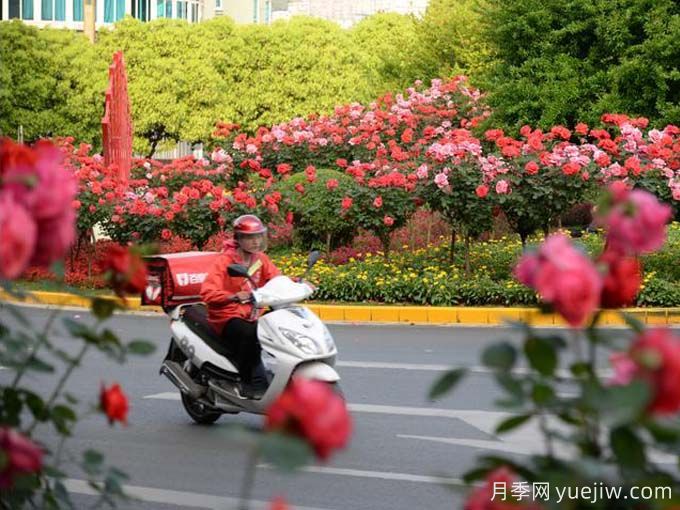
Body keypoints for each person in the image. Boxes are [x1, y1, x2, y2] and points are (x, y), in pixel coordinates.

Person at [200, 214, 280, 399]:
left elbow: (276, 278)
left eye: (258, 236)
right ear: (238, 239)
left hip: (252, 313)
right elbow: (207, 292)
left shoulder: (260, 259)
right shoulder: (225, 261)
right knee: (250, 334)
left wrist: (297, 283)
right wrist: (233, 296)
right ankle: (247, 382)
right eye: (250, 237)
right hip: (227, 315)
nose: (255, 242)